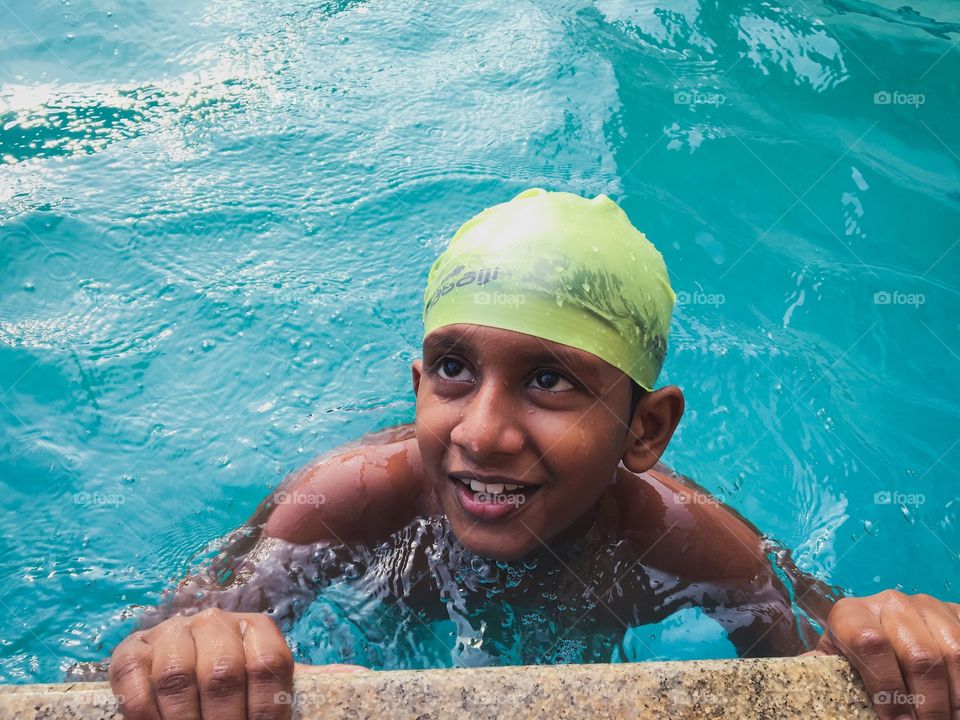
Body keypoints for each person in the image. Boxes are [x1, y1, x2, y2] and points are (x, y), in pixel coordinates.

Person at [109, 189, 959, 720]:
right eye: (452, 369)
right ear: (416, 383)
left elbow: (820, 653)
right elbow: (166, 639)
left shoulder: (690, 543)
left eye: (550, 381)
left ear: (646, 430)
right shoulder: (347, 498)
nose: (480, 432)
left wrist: (882, 639)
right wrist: (185, 647)